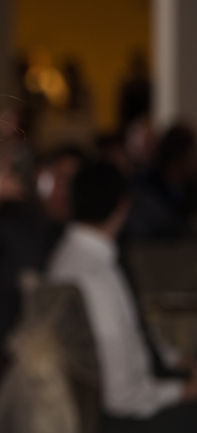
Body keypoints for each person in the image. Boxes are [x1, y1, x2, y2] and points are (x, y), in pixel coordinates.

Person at [47, 161, 197, 432]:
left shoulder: (69, 255)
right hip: (120, 418)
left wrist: (175, 360)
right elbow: (122, 396)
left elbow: (135, 339)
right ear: (123, 205)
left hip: (117, 399)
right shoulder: (94, 276)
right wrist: (185, 390)